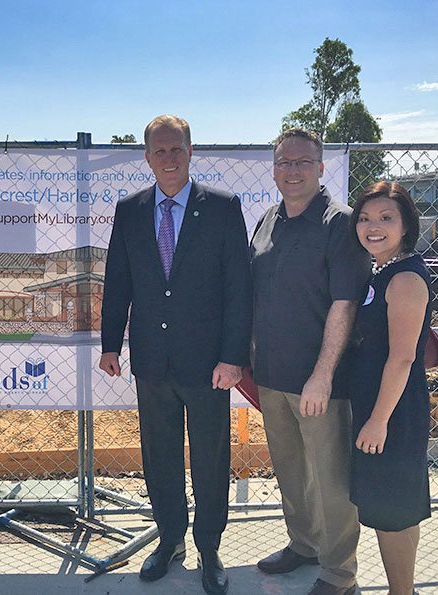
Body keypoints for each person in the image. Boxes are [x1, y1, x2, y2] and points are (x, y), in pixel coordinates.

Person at [99, 115, 252, 595]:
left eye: (177, 149)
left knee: (210, 458)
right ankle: (170, 540)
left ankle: (209, 547)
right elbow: (118, 280)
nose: (169, 158)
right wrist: (110, 344)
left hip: (209, 366)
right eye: (160, 150)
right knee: (160, 456)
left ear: (191, 152)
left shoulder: (223, 207)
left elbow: (239, 287)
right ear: (147, 157)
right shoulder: (130, 210)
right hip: (152, 362)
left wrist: (232, 356)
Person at [249, 128, 370, 595]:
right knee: (291, 470)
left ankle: (340, 573)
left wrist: (322, 375)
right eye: (284, 162)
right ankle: (303, 544)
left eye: (302, 162)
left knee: (331, 480)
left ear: (320, 168)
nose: (293, 170)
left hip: (321, 382)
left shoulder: (340, 224)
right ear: (274, 170)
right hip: (272, 377)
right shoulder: (267, 220)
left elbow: (345, 303)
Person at [348, 182, 431, 595]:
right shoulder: (381, 270)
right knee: (394, 509)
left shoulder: (405, 280)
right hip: (378, 402)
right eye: (364, 218)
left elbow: (402, 358)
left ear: (406, 225)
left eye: (385, 218)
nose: (373, 226)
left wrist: (378, 420)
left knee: (393, 512)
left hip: (394, 411)